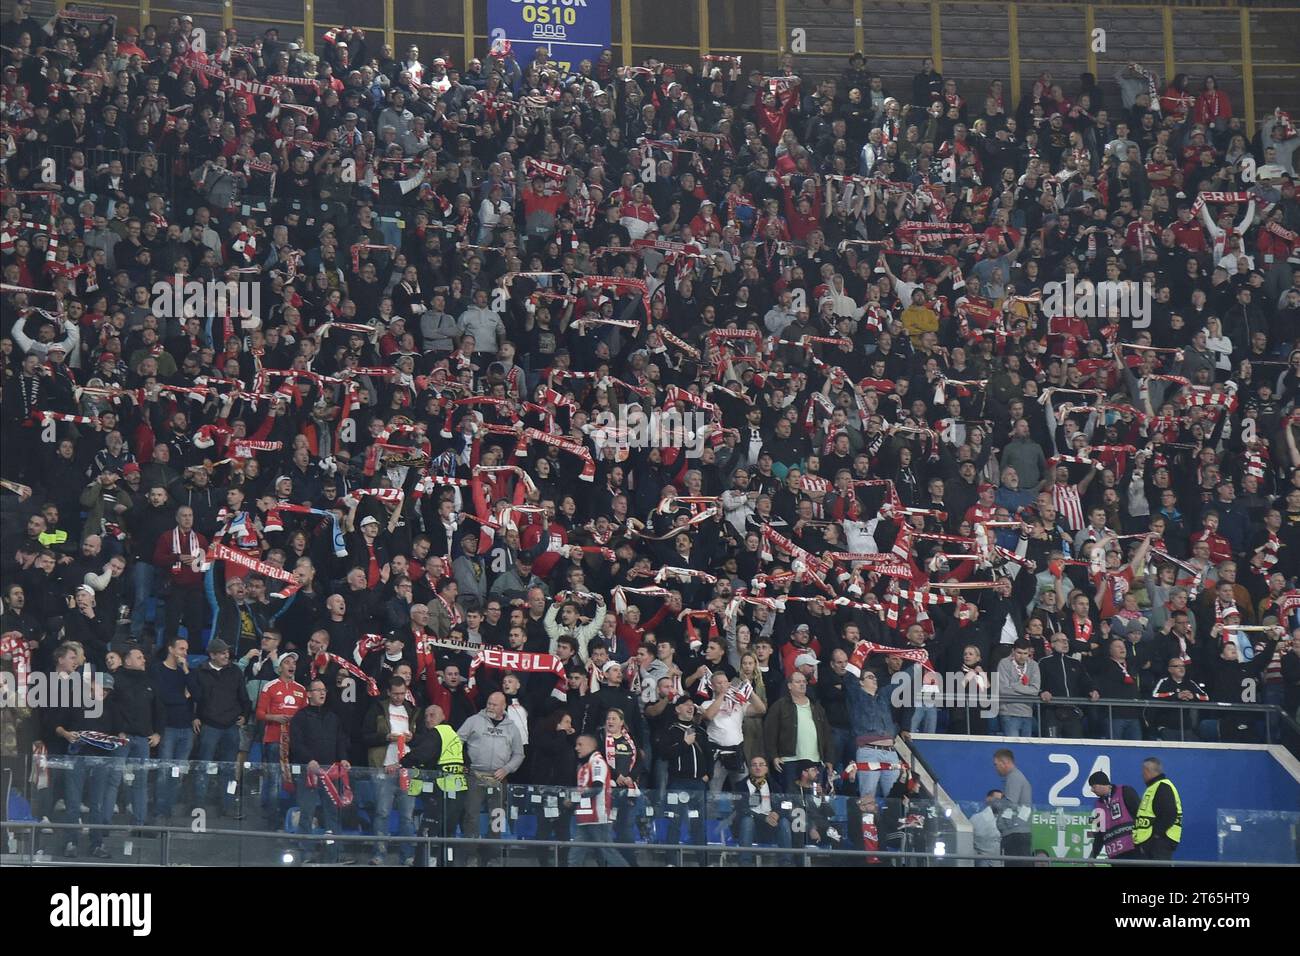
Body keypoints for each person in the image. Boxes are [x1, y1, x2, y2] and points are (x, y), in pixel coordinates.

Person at [457, 691, 524, 866]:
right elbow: (457, 741)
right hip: (475, 775)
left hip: (498, 777)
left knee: (497, 816)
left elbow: (519, 754)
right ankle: (471, 854)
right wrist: (462, 762)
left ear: (504, 707)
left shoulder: (512, 727)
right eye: (488, 703)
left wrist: (507, 769)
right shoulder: (474, 720)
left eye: (494, 705)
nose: (490, 707)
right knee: (471, 815)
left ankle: (492, 855)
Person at [288, 679, 352, 864]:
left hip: (331, 773)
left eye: (324, 690)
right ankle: (305, 854)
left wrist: (343, 758)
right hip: (308, 772)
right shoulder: (300, 717)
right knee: (306, 813)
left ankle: (335, 853)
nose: (322, 693)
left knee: (332, 813)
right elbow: (296, 743)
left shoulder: (333, 717)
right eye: (318, 690)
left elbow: (340, 740)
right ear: (308, 694)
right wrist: (309, 760)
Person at [401, 703, 468, 867]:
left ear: (443, 716)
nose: (428, 719)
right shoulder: (452, 734)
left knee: (427, 832)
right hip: (456, 792)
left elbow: (423, 754)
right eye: (426, 716)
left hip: (440, 792)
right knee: (448, 834)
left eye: (432, 715)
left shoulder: (438, 733)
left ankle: (421, 863)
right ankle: (446, 863)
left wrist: (403, 762)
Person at [362, 675, 419, 866]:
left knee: (407, 816)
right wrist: (386, 737)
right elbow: (365, 736)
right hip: (383, 766)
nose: (398, 697)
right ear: (388, 692)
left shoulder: (411, 710)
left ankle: (408, 856)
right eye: (395, 694)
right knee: (382, 812)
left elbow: (421, 739)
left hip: (406, 768)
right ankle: (379, 854)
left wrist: (412, 738)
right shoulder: (377, 708)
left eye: (402, 693)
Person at [191, 637, 251, 818]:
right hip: (209, 726)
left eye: (227, 652)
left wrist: (245, 716)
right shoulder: (199, 672)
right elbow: (194, 697)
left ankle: (229, 805)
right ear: (212, 655)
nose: (227, 656)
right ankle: (198, 805)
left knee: (229, 769)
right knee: (203, 767)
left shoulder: (235, 672)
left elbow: (244, 698)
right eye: (223, 653)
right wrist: (194, 716)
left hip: (231, 727)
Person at [254, 651, 306, 829]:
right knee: (275, 779)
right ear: (279, 667)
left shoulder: (301, 689)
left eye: (294, 663)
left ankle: (292, 817)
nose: (291, 665)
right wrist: (275, 718)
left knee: (296, 778)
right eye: (287, 662)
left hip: (296, 742)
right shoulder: (270, 686)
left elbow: (306, 715)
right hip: (274, 739)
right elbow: (259, 714)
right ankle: (272, 819)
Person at [570, 733, 627, 867]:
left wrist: (575, 798)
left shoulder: (597, 762)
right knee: (576, 854)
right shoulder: (585, 765)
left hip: (597, 817)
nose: (576, 748)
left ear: (591, 746)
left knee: (608, 852)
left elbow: (597, 787)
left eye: (580, 744)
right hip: (585, 819)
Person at [733, 755, 792, 865]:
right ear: (749, 769)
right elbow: (741, 809)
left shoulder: (776, 786)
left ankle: (786, 863)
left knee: (784, 822)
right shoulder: (740, 786)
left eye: (761, 765)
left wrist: (777, 813)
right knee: (747, 821)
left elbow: (787, 805)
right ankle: (745, 863)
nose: (758, 768)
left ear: (766, 769)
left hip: (771, 826)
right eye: (754, 765)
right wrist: (763, 818)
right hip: (752, 825)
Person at [1133, 756, 1183, 861]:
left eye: (1143, 771)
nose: (1142, 774)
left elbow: (1169, 814)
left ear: (1147, 771)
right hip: (1153, 844)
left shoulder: (1162, 787)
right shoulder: (1154, 787)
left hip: (1159, 844)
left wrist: (1155, 837)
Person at [1087, 770, 1143, 861]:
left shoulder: (1125, 791)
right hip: (1114, 855)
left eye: (1094, 786)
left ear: (1102, 784)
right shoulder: (1097, 805)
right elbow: (1099, 834)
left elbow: (1141, 816)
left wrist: (1144, 844)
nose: (1092, 790)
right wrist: (1093, 855)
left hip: (1134, 850)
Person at [992, 748, 1033, 864]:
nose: (995, 768)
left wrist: (994, 802)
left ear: (1005, 763)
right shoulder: (1015, 777)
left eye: (996, 764)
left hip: (1015, 834)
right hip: (1015, 832)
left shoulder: (1014, 777)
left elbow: (1010, 804)